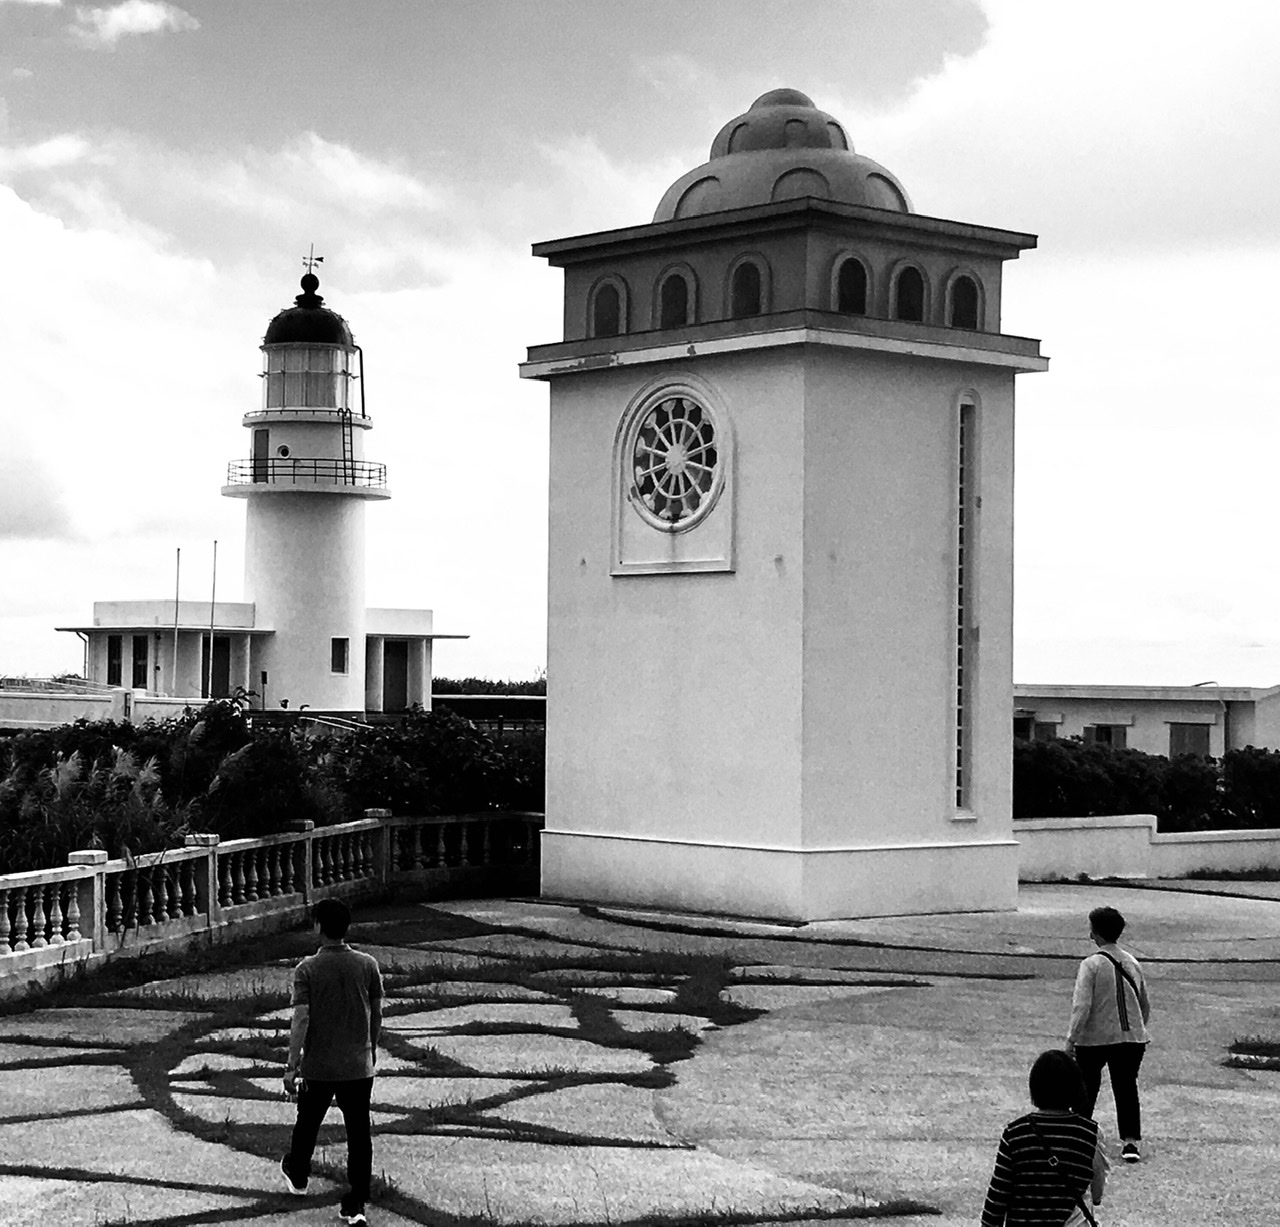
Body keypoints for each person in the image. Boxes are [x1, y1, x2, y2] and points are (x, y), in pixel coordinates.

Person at [280, 897, 383, 1225]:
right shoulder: (367, 965)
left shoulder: (307, 969)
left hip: (319, 1065)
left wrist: (291, 1065)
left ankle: (298, 1175)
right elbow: (376, 1012)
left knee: (308, 1123)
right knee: (359, 1132)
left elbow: (301, 1018)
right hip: (358, 1064)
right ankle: (356, 1202)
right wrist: (371, 1047)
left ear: (318, 927)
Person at [982, 1049, 1109, 1227]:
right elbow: (1097, 1192)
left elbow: (997, 1197)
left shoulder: (1015, 1133)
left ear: (1035, 1087)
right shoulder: (1090, 1133)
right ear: (1077, 1086)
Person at [1065, 904, 1151, 1164]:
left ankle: (1078, 1139)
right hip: (1131, 1038)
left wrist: (1071, 1039)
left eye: (1091, 930)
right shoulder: (1132, 962)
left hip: (1094, 1038)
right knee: (1126, 1087)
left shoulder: (1090, 965)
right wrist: (1137, 1028)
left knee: (1086, 1088)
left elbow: (1082, 1006)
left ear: (1097, 933)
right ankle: (1130, 1142)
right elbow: (1144, 1004)